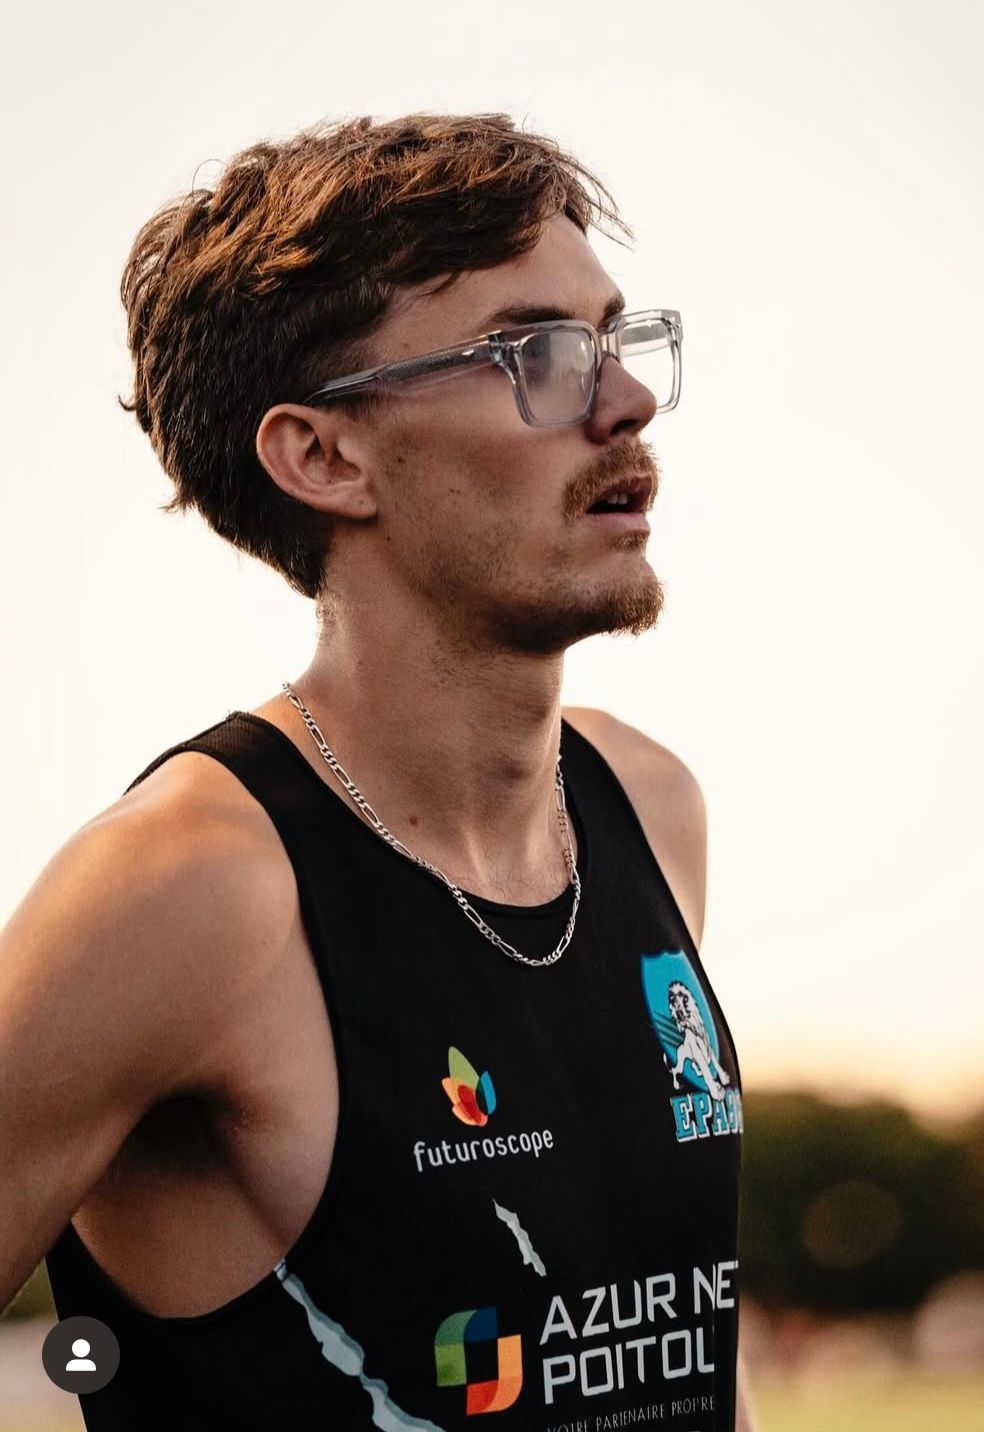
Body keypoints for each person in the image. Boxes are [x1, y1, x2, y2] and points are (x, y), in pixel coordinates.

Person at [0, 112, 756, 1431]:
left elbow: (681, 1351)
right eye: (535, 352)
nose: (626, 400)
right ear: (323, 455)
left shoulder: (650, 809)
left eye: (616, 339)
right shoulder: (185, 890)